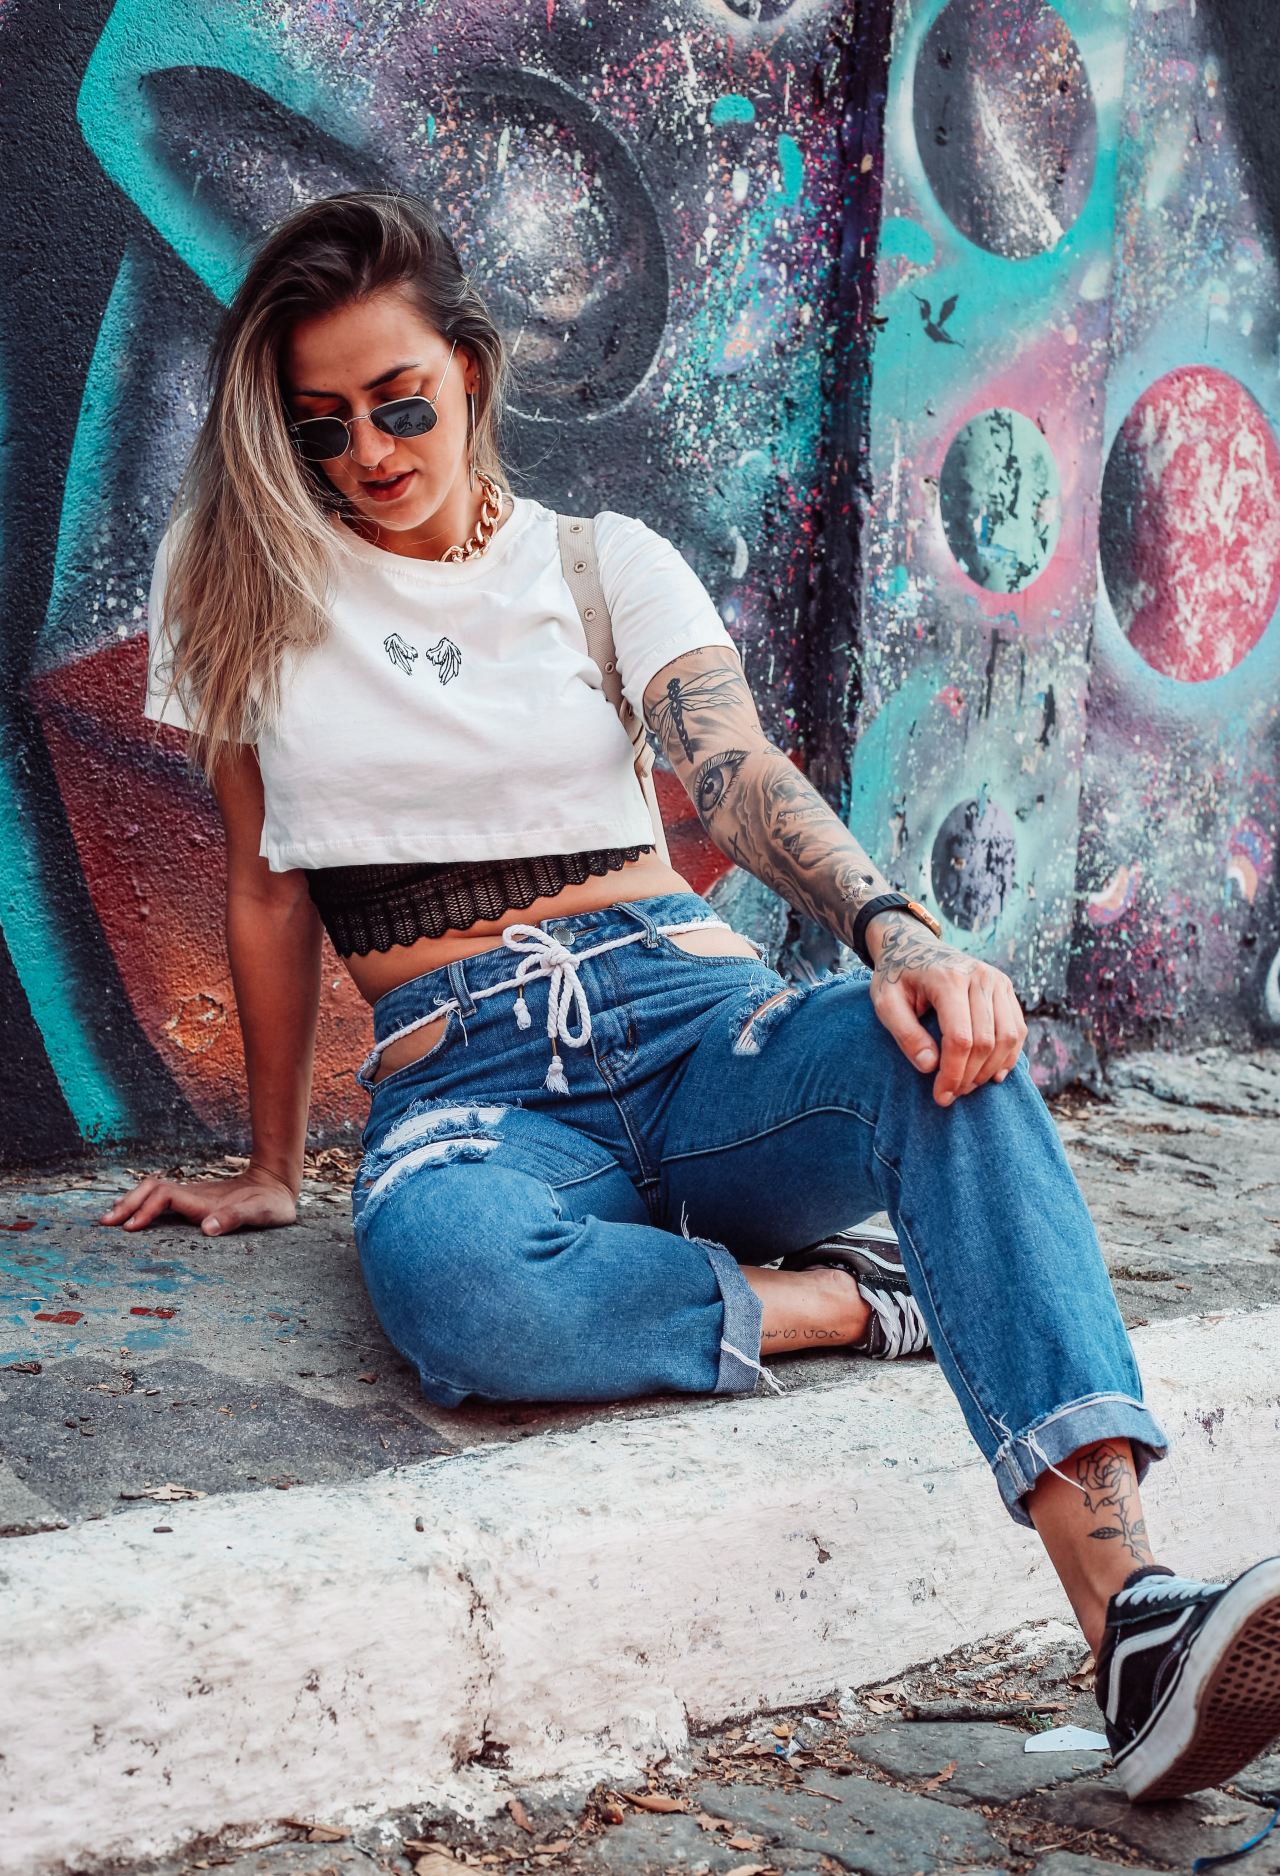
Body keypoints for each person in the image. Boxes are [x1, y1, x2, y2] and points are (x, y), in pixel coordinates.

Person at [102, 191, 1278, 1803]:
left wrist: (896, 932)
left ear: (469, 368)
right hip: (474, 1091)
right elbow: (262, 887)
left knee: (942, 1045)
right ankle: (863, 1299)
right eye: (323, 429)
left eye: (400, 404)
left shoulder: (600, 565)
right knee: (459, 1289)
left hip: (695, 1024)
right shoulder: (239, 590)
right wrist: (266, 1161)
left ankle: (1136, 1624)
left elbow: (734, 774)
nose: (370, 452)